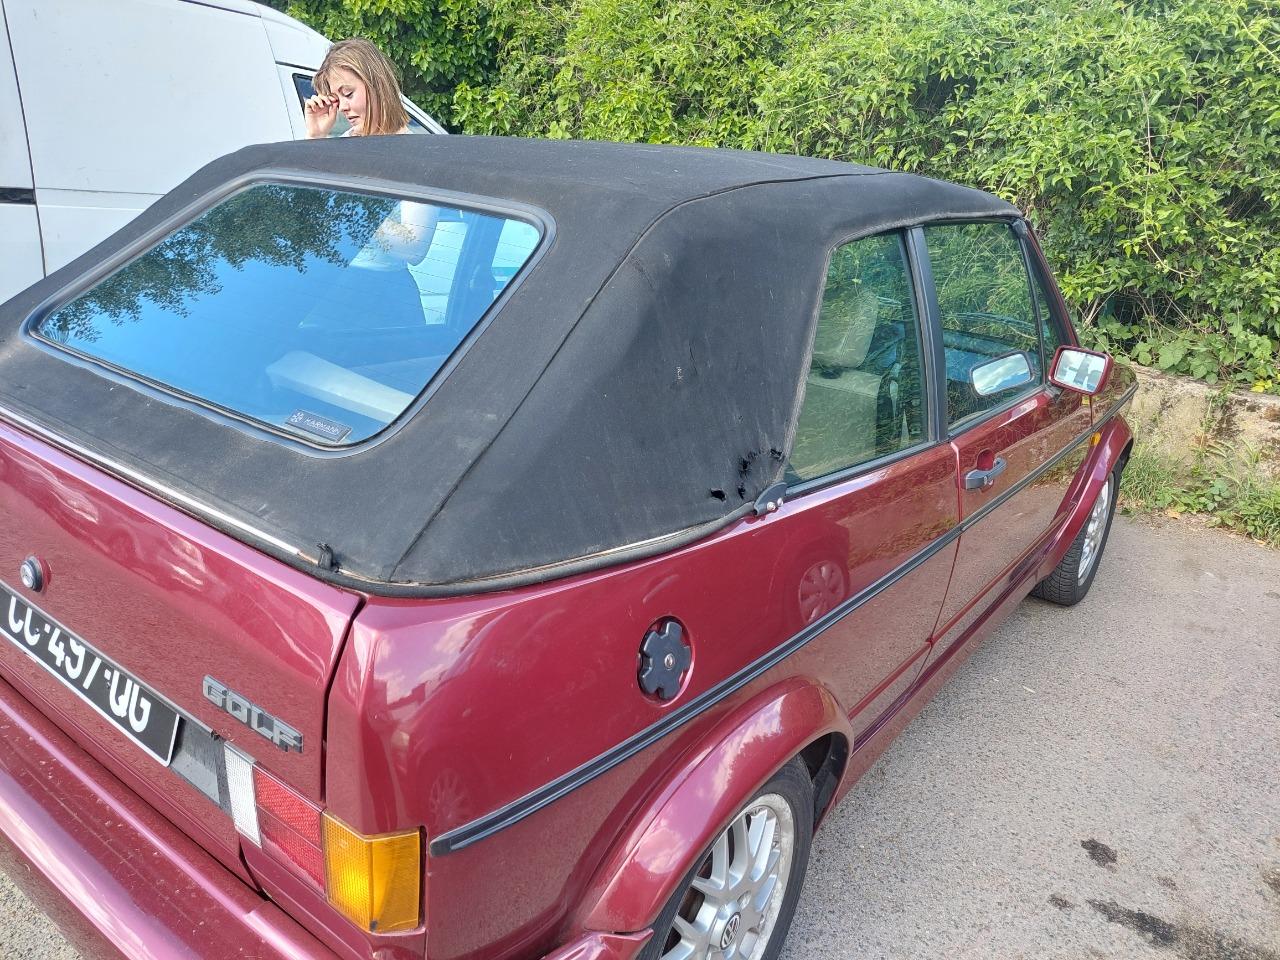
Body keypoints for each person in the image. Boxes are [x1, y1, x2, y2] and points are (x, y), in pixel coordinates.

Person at [304, 37, 410, 139]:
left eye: (348, 94)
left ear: (378, 86)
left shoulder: (413, 147)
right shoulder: (343, 145)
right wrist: (315, 137)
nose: (341, 108)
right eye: (336, 99)